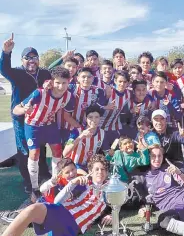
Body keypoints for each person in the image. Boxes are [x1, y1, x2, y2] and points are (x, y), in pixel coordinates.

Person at [0, 155, 111, 236]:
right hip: (62, 213)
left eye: (103, 169)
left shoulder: (110, 190)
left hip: (72, 229)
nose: (100, 172)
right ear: (91, 171)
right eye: (97, 169)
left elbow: (114, 202)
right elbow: (57, 200)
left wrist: (109, 214)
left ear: (106, 172)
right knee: (31, 210)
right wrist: (73, 182)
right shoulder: (84, 182)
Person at [12, 67, 77, 200]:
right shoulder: (39, 93)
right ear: (52, 81)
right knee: (34, 153)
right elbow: (15, 110)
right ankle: (35, 188)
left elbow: (66, 114)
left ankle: (55, 181)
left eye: (64, 83)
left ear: (68, 81)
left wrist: (77, 126)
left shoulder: (69, 96)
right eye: (58, 82)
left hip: (49, 125)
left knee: (57, 151)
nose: (61, 86)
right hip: (33, 125)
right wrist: (24, 109)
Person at [0, 34, 51, 193]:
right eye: (27, 58)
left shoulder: (43, 73)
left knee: (40, 147)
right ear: (22, 61)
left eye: (34, 57)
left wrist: (63, 59)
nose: (31, 61)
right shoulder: (16, 73)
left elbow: (54, 70)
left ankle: (43, 175)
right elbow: (4, 68)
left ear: (38, 60)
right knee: (24, 150)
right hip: (21, 118)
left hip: (38, 117)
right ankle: (28, 182)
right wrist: (6, 53)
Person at [63, 105, 105, 173]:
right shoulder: (76, 131)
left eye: (96, 117)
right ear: (86, 118)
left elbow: (105, 152)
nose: (94, 120)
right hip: (75, 166)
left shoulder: (102, 133)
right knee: (86, 178)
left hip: (90, 167)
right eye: (90, 117)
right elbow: (65, 153)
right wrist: (81, 137)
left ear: (100, 118)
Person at [99, 70, 134, 150]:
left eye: (125, 82)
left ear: (128, 83)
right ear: (115, 81)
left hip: (114, 127)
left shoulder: (128, 93)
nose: (122, 84)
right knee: (105, 151)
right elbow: (96, 108)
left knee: (117, 149)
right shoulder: (107, 92)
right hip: (100, 127)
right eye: (120, 81)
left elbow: (142, 93)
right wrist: (105, 107)